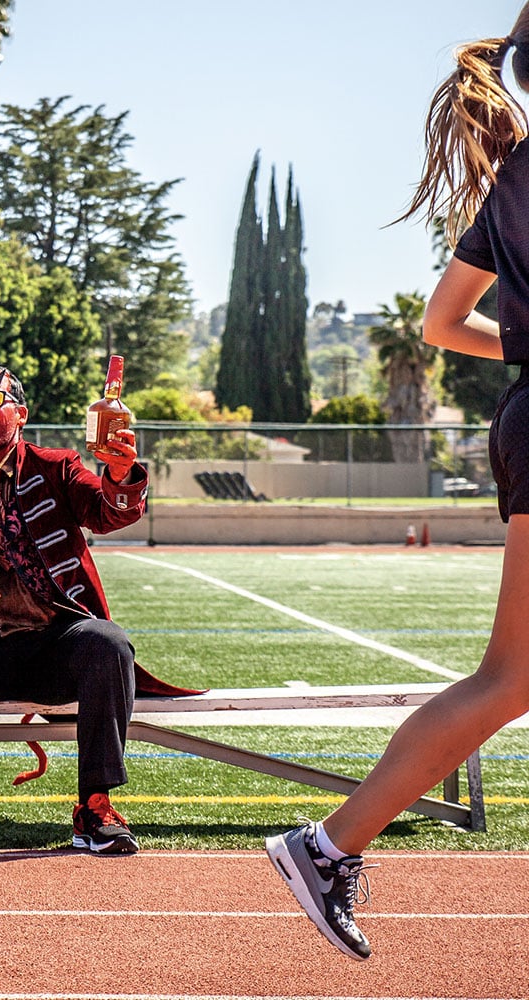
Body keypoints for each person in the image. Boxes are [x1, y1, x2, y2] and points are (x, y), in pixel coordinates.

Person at [267, 11, 529, 961]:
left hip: (525, 418)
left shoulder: (515, 179)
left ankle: (328, 846)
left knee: (514, 677)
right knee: (512, 678)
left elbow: (442, 323)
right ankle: (327, 844)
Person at [0, 363, 191, 856]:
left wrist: (118, 474)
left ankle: (94, 804)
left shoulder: (59, 468)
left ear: (20, 414)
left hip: (53, 646)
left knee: (108, 642)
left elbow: (110, 512)